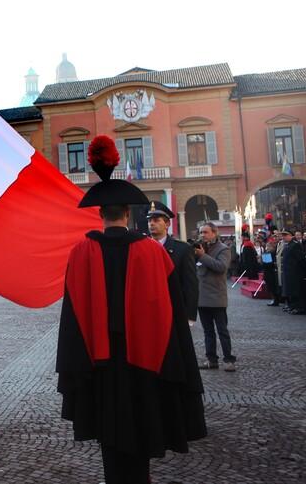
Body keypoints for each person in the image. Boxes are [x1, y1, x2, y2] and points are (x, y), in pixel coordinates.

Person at [56, 135, 206, 484]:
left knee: (109, 431)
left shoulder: (81, 252)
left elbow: (71, 314)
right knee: (142, 426)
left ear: (100, 214)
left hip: (101, 362)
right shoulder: (152, 252)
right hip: (144, 361)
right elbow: (171, 312)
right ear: (128, 213)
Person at [146, 201, 199, 323]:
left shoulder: (183, 249)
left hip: (174, 309)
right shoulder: (141, 248)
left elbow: (190, 284)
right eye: (149, 221)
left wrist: (189, 315)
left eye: (156, 220)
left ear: (167, 224)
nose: (151, 224)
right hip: (149, 309)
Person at [195, 222, 236, 371]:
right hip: (202, 297)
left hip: (217, 297)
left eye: (205, 232)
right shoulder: (199, 249)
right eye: (201, 232)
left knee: (222, 330)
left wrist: (202, 256)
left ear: (214, 233)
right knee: (208, 332)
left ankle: (229, 360)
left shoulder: (223, 249)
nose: (202, 235)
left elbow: (221, 267)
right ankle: (211, 359)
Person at [279, 230, 306, 315]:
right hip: (289, 272)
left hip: (295, 273)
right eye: (283, 235)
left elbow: (300, 259)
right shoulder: (287, 245)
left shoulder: (295, 245)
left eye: (285, 235)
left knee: (297, 291)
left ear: (291, 236)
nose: (283, 237)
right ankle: (293, 306)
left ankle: (300, 308)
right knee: (291, 291)